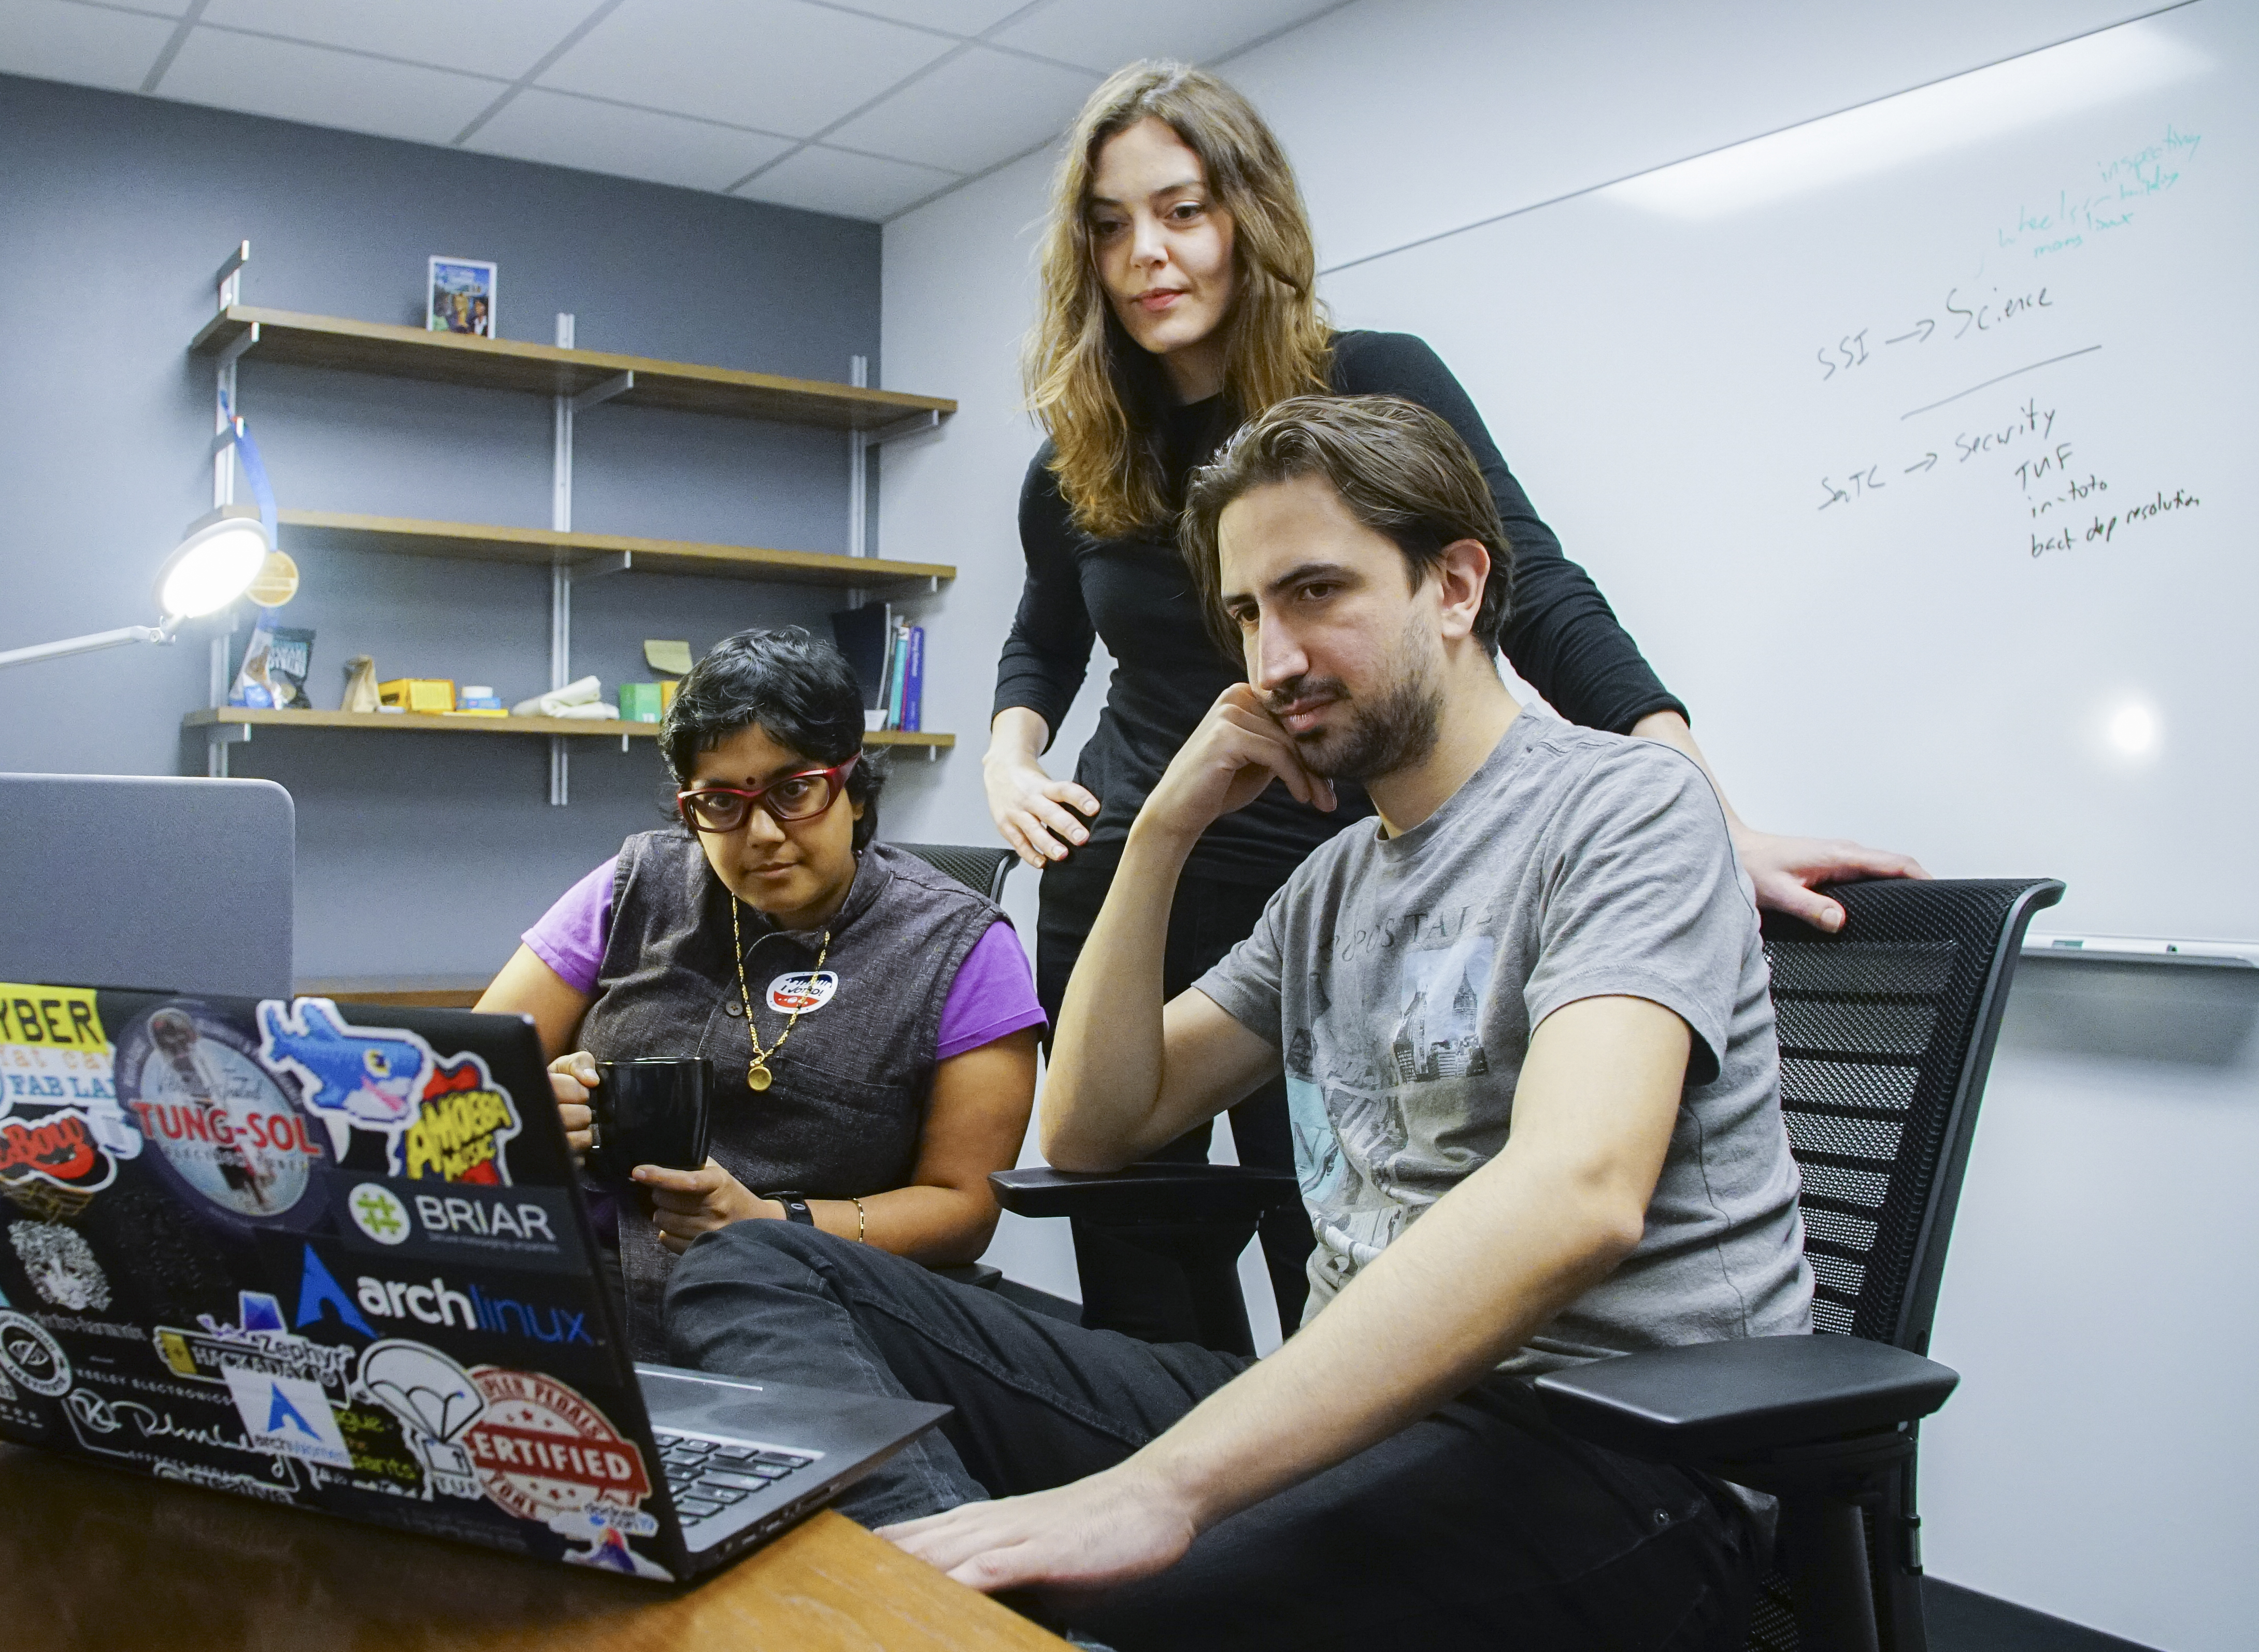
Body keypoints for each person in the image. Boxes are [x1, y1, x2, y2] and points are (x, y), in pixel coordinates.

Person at [661, 397, 1814, 1650]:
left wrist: (1155, 1488)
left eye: (1317, 591)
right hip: (1333, 1415)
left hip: (1602, 1457)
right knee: (751, 1262)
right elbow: (1099, 1129)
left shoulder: (1625, 810)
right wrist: (1158, 825)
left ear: (1457, 586)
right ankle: (940, 1602)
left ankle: (944, 1606)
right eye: (1250, 612)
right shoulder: (1329, 885)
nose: (1273, 659)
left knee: (1104, 1577)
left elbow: (1577, 1191)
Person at [983, 60, 1915, 1337]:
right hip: (1133, 868)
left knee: (1338, 1221)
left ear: (1250, 215)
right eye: (1108, 223)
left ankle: (1251, 1493)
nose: (1145, 252)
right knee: (1138, 1260)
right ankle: (1168, 1492)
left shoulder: (1369, 379)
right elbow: (1042, 637)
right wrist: (1010, 762)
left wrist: (1706, 807)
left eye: (1183, 209)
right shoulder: (1079, 451)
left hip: (1304, 857)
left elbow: (1536, 584)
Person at [474, 628, 1043, 1358]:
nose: (763, 832)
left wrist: (774, 1220)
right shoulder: (634, 885)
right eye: (721, 802)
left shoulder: (961, 945)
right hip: (578, 1283)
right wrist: (531, 1108)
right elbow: (471, 1081)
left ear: (854, 790)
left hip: (800, 1305)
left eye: (793, 790)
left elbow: (963, 1209)